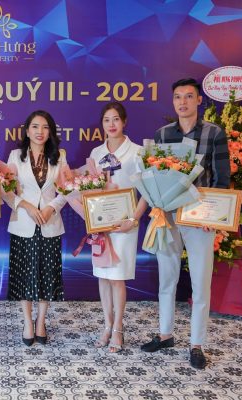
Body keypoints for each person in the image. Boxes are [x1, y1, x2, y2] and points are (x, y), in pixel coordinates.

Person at [140, 78, 231, 369]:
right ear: (173, 101)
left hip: (199, 217)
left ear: (199, 100)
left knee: (200, 283)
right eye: (178, 97)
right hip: (167, 215)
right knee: (167, 278)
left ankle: (196, 344)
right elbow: (154, 176)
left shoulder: (214, 133)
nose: (183, 102)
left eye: (189, 96)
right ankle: (165, 334)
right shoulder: (163, 134)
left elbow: (222, 179)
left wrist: (213, 217)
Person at [4, 110, 68, 346]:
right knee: (25, 274)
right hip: (24, 223)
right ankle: (27, 322)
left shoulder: (59, 156)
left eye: (45, 127)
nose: (40, 131)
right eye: (35, 127)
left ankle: (41, 321)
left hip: (49, 223)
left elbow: (67, 189)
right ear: (27, 130)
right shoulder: (15, 156)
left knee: (46, 275)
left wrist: (52, 207)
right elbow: (5, 190)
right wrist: (27, 206)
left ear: (50, 131)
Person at [89, 102, 148, 353]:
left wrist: (133, 219)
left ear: (124, 122)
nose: (111, 124)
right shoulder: (96, 153)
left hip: (125, 225)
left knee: (117, 278)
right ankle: (106, 324)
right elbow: (90, 189)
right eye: (106, 120)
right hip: (101, 224)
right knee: (103, 275)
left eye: (115, 119)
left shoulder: (137, 152)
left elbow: (147, 191)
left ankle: (118, 328)